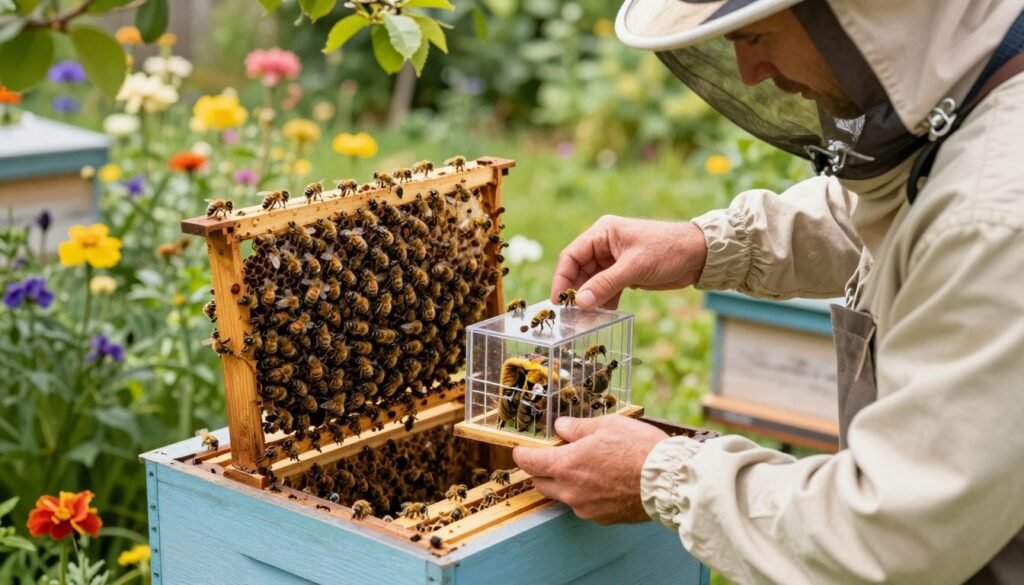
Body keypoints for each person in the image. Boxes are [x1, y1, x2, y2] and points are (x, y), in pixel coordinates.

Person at [512, 1, 1024, 583]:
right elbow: (903, 203)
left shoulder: (997, 218)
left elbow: (895, 533)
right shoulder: (976, 100)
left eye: (755, 35)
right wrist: (705, 244)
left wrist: (660, 474)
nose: (749, 71)